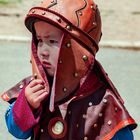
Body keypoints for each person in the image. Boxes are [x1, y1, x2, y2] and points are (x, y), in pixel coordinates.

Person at [1, 0, 137, 139]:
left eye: (52, 41)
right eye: (40, 40)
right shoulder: (34, 88)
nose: (43, 51)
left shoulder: (104, 102)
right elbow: (17, 132)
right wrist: (27, 105)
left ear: (78, 47)